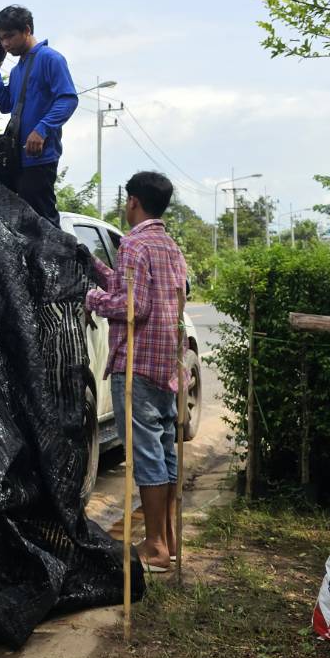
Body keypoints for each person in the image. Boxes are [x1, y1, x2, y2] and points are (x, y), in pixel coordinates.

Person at [83, 171, 189, 573]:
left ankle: (156, 546)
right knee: (163, 449)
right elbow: (135, 289)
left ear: (133, 201)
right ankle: (168, 540)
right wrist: (94, 266)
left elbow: (132, 307)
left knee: (146, 454)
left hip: (137, 363)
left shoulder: (133, 243)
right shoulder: (169, 246)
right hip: (166, 365)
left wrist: (90, 297)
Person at [0, 5, 78, 222]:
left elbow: (68, 99)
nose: (5, 44)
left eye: (9, 36)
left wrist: (41, 130)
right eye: (1, 39)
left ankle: (62, 247)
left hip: (38, 158)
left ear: (27, 30)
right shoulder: (17, 70)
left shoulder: (51, 59)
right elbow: (5, 105)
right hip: (13, 157)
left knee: (40, 222)